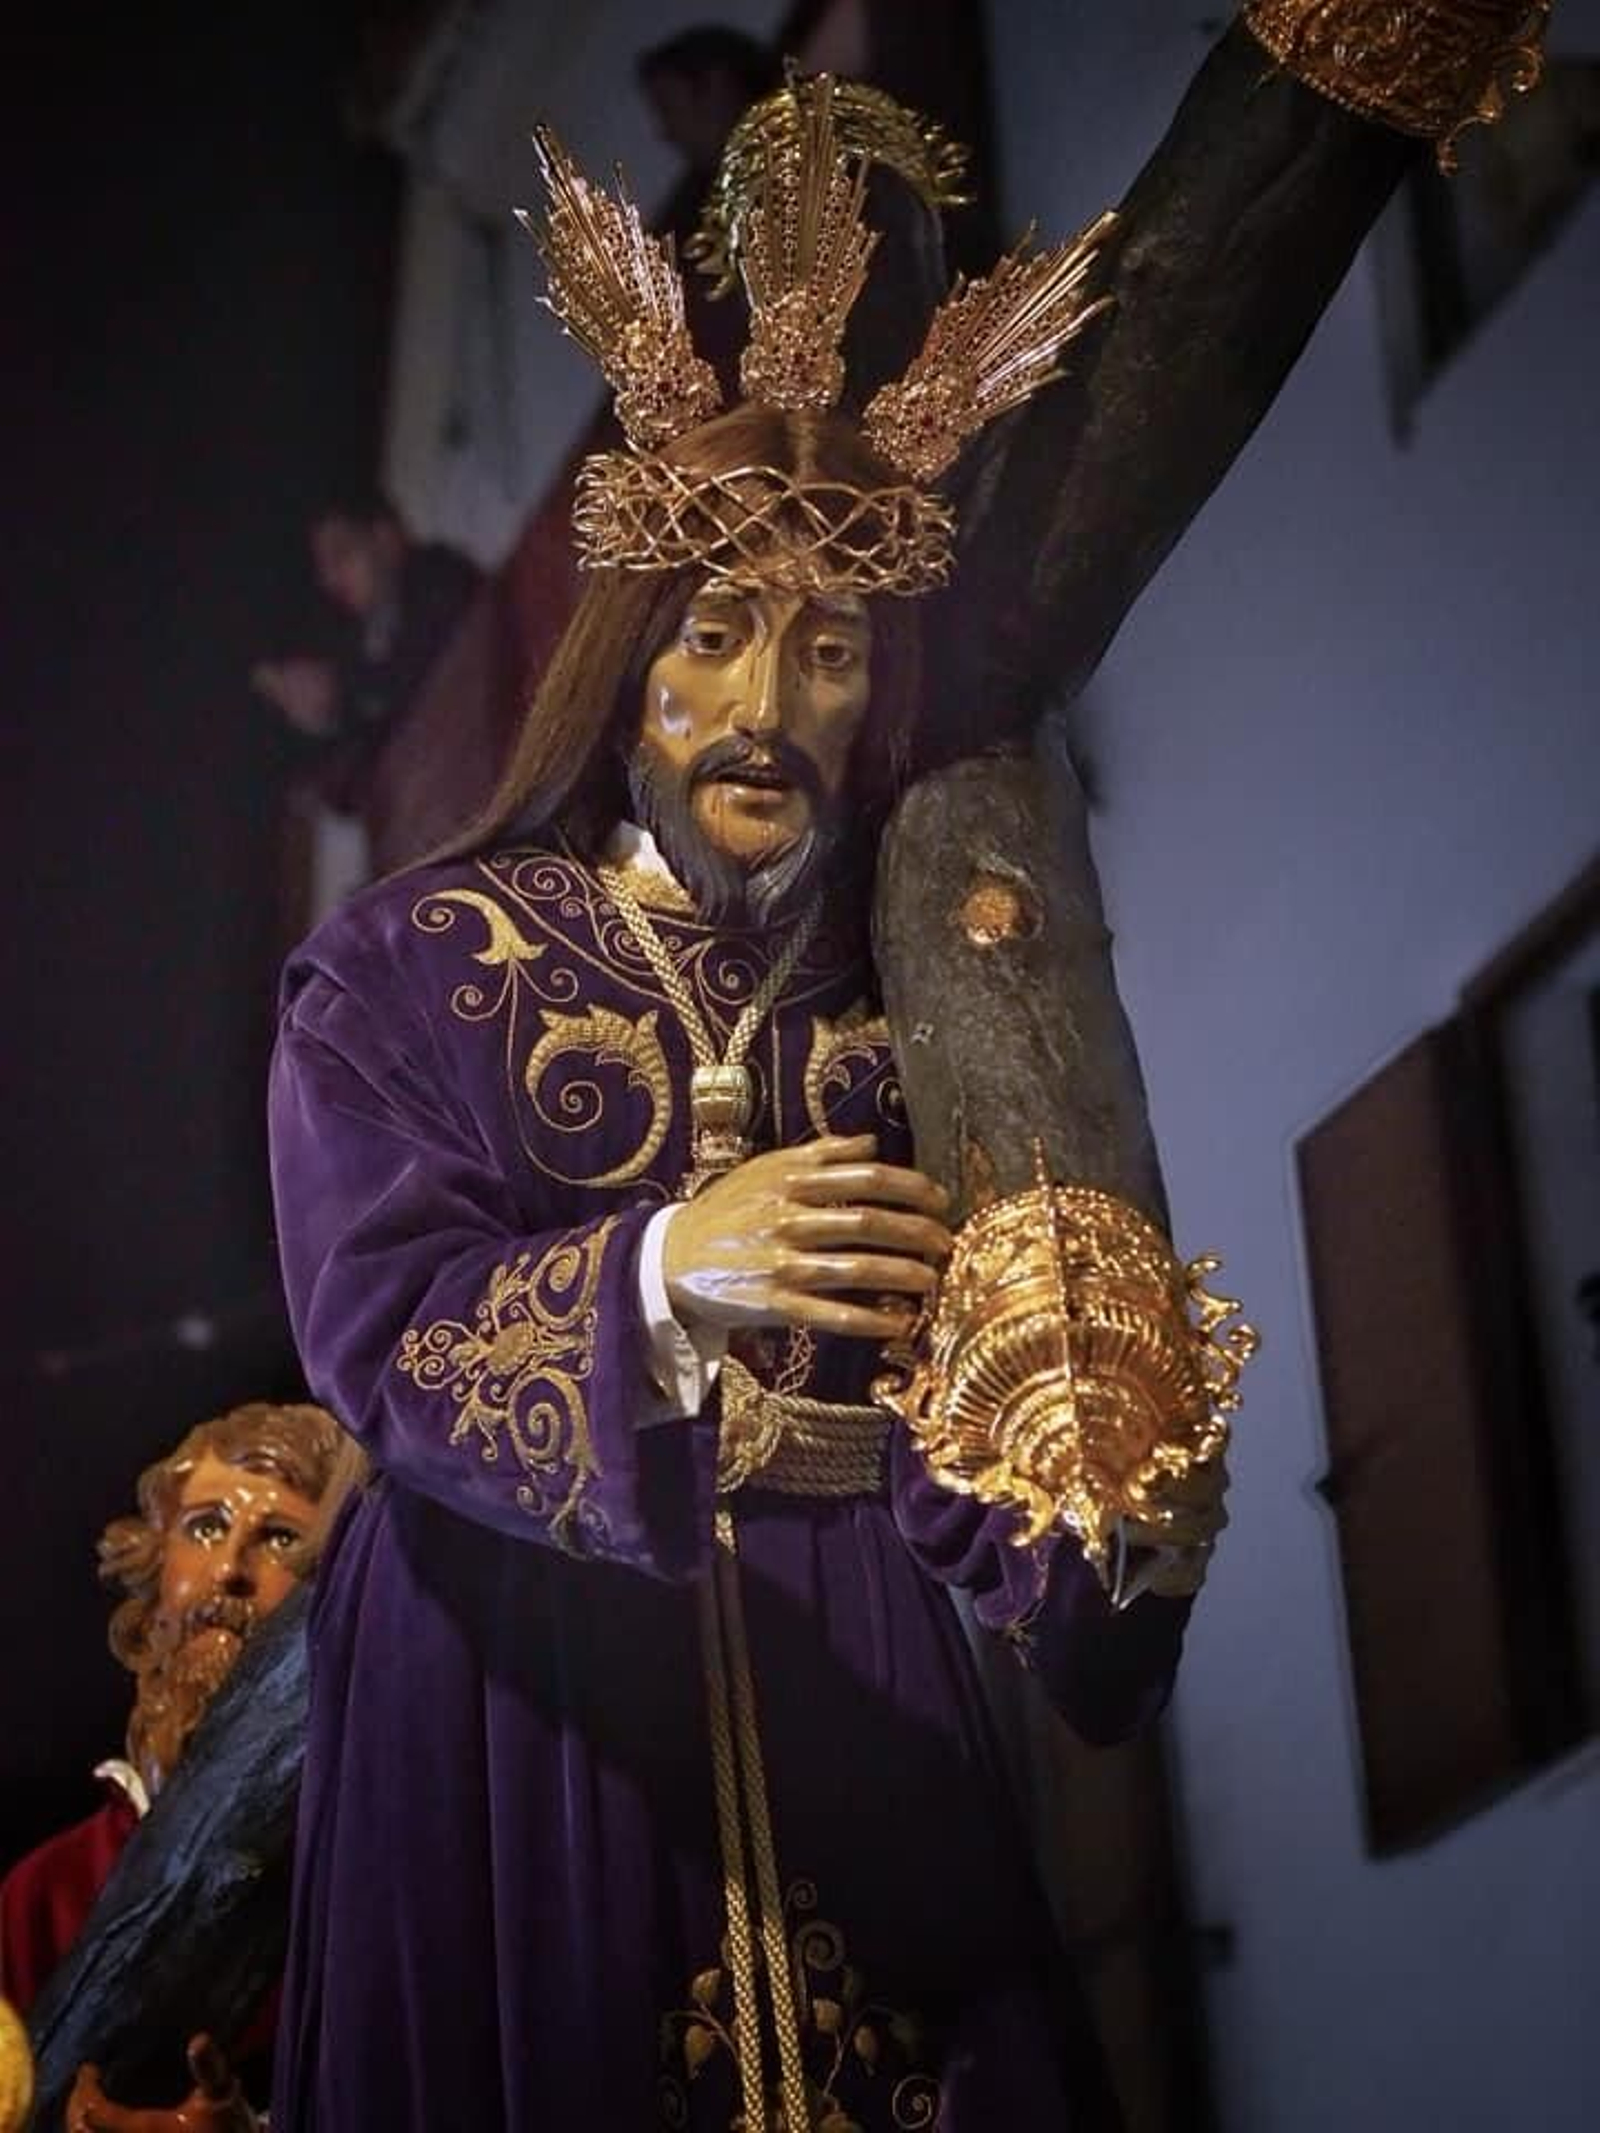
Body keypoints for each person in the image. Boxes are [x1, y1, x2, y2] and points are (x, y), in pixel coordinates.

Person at [266, 11, 1552, 2127]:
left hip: (855, 1670)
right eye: (709, 639)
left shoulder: (900, 1005)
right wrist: (669, 1266)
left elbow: (962, 1448)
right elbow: (379, 1332)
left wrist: (1091, 1515)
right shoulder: (406, 966)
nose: (765, 705)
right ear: (625, 671)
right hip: (528, 1693)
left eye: (827, 648)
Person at [0, 1402, 352, 2128]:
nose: (227, 1570)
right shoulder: (46, 1891)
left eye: (280, 1537)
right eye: (205, 1527)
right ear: (156, 1570)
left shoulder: (357, 1884)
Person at [251, 493, 481, 825]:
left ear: (385, 538)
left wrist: (341, 696)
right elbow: (360, 784)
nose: (330, 580)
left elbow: (431, 684)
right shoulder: (362, 644)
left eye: (341, 554)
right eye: (323, 569)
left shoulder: (438, 575)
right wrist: (324, 725)